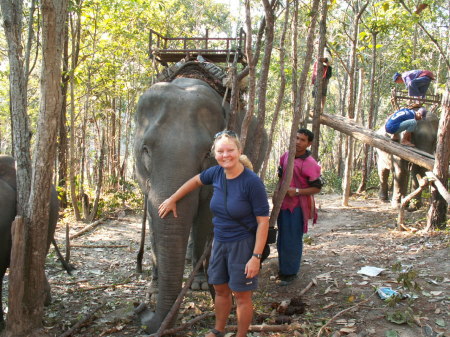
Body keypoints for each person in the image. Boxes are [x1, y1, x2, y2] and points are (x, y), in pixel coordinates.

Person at [158, 130, 269, 337]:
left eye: (230, 150)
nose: (225, 155)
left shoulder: (251, 182)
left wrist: (255, 257)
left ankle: (241, 334)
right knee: (220, 289)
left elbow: (263, 222)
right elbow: (196, 181)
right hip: (220, 243)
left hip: (243, 244)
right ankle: (218, 330)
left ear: (239, 151)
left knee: (242, 295)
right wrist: (173, 198)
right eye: (220, 151)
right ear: (215, 153)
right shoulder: (216, 173)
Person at [275, 129, 323, 286]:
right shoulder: (286, 156)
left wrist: (296, 191)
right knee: (282, 237)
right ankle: (283, 267)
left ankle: (290, 273)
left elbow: (317, 188)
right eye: (296, 138)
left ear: (309, 143)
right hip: (282, 205)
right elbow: (281, 176)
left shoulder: (310, 163)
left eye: (302, 140)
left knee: (292, 238)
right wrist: (277, 193)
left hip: (297, 207)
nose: (298, 142)